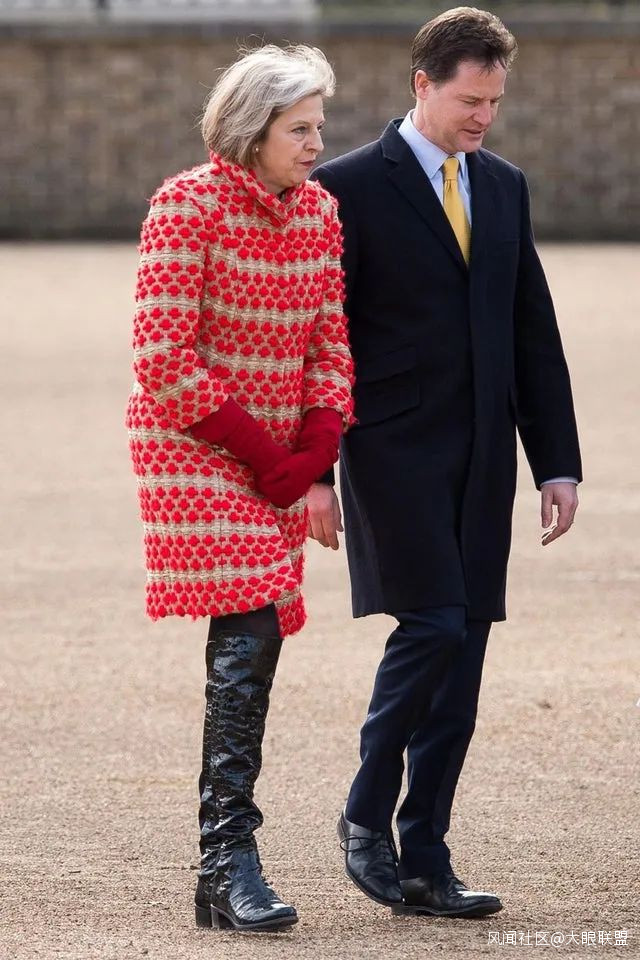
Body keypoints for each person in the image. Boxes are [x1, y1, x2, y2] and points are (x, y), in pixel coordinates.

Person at [310, 7, 581, 918]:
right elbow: (319, 339)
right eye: (471, 100)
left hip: (484, 456)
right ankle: (363, 814)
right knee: (430, 626)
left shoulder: (503, 186)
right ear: (422, 84)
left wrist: (556, 463)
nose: (484, 118)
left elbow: (531, 330)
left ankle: (425, 856)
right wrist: (314, 472)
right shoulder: (345, 187)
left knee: (463, 658)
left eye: (495, 102)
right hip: (389, 449)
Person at [126, 45, 353, 932]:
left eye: (319, 126)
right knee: (253, 622)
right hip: (194, 446)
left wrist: (318, 447)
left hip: (280, 457)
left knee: (253, 632)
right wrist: (266, 455)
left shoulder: (321, 212)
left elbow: (330, 344)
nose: (316, 144)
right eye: (300, 129)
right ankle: (228, 860)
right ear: (253, 130)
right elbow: (160, 359)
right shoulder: (185, 206)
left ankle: (221, 873)